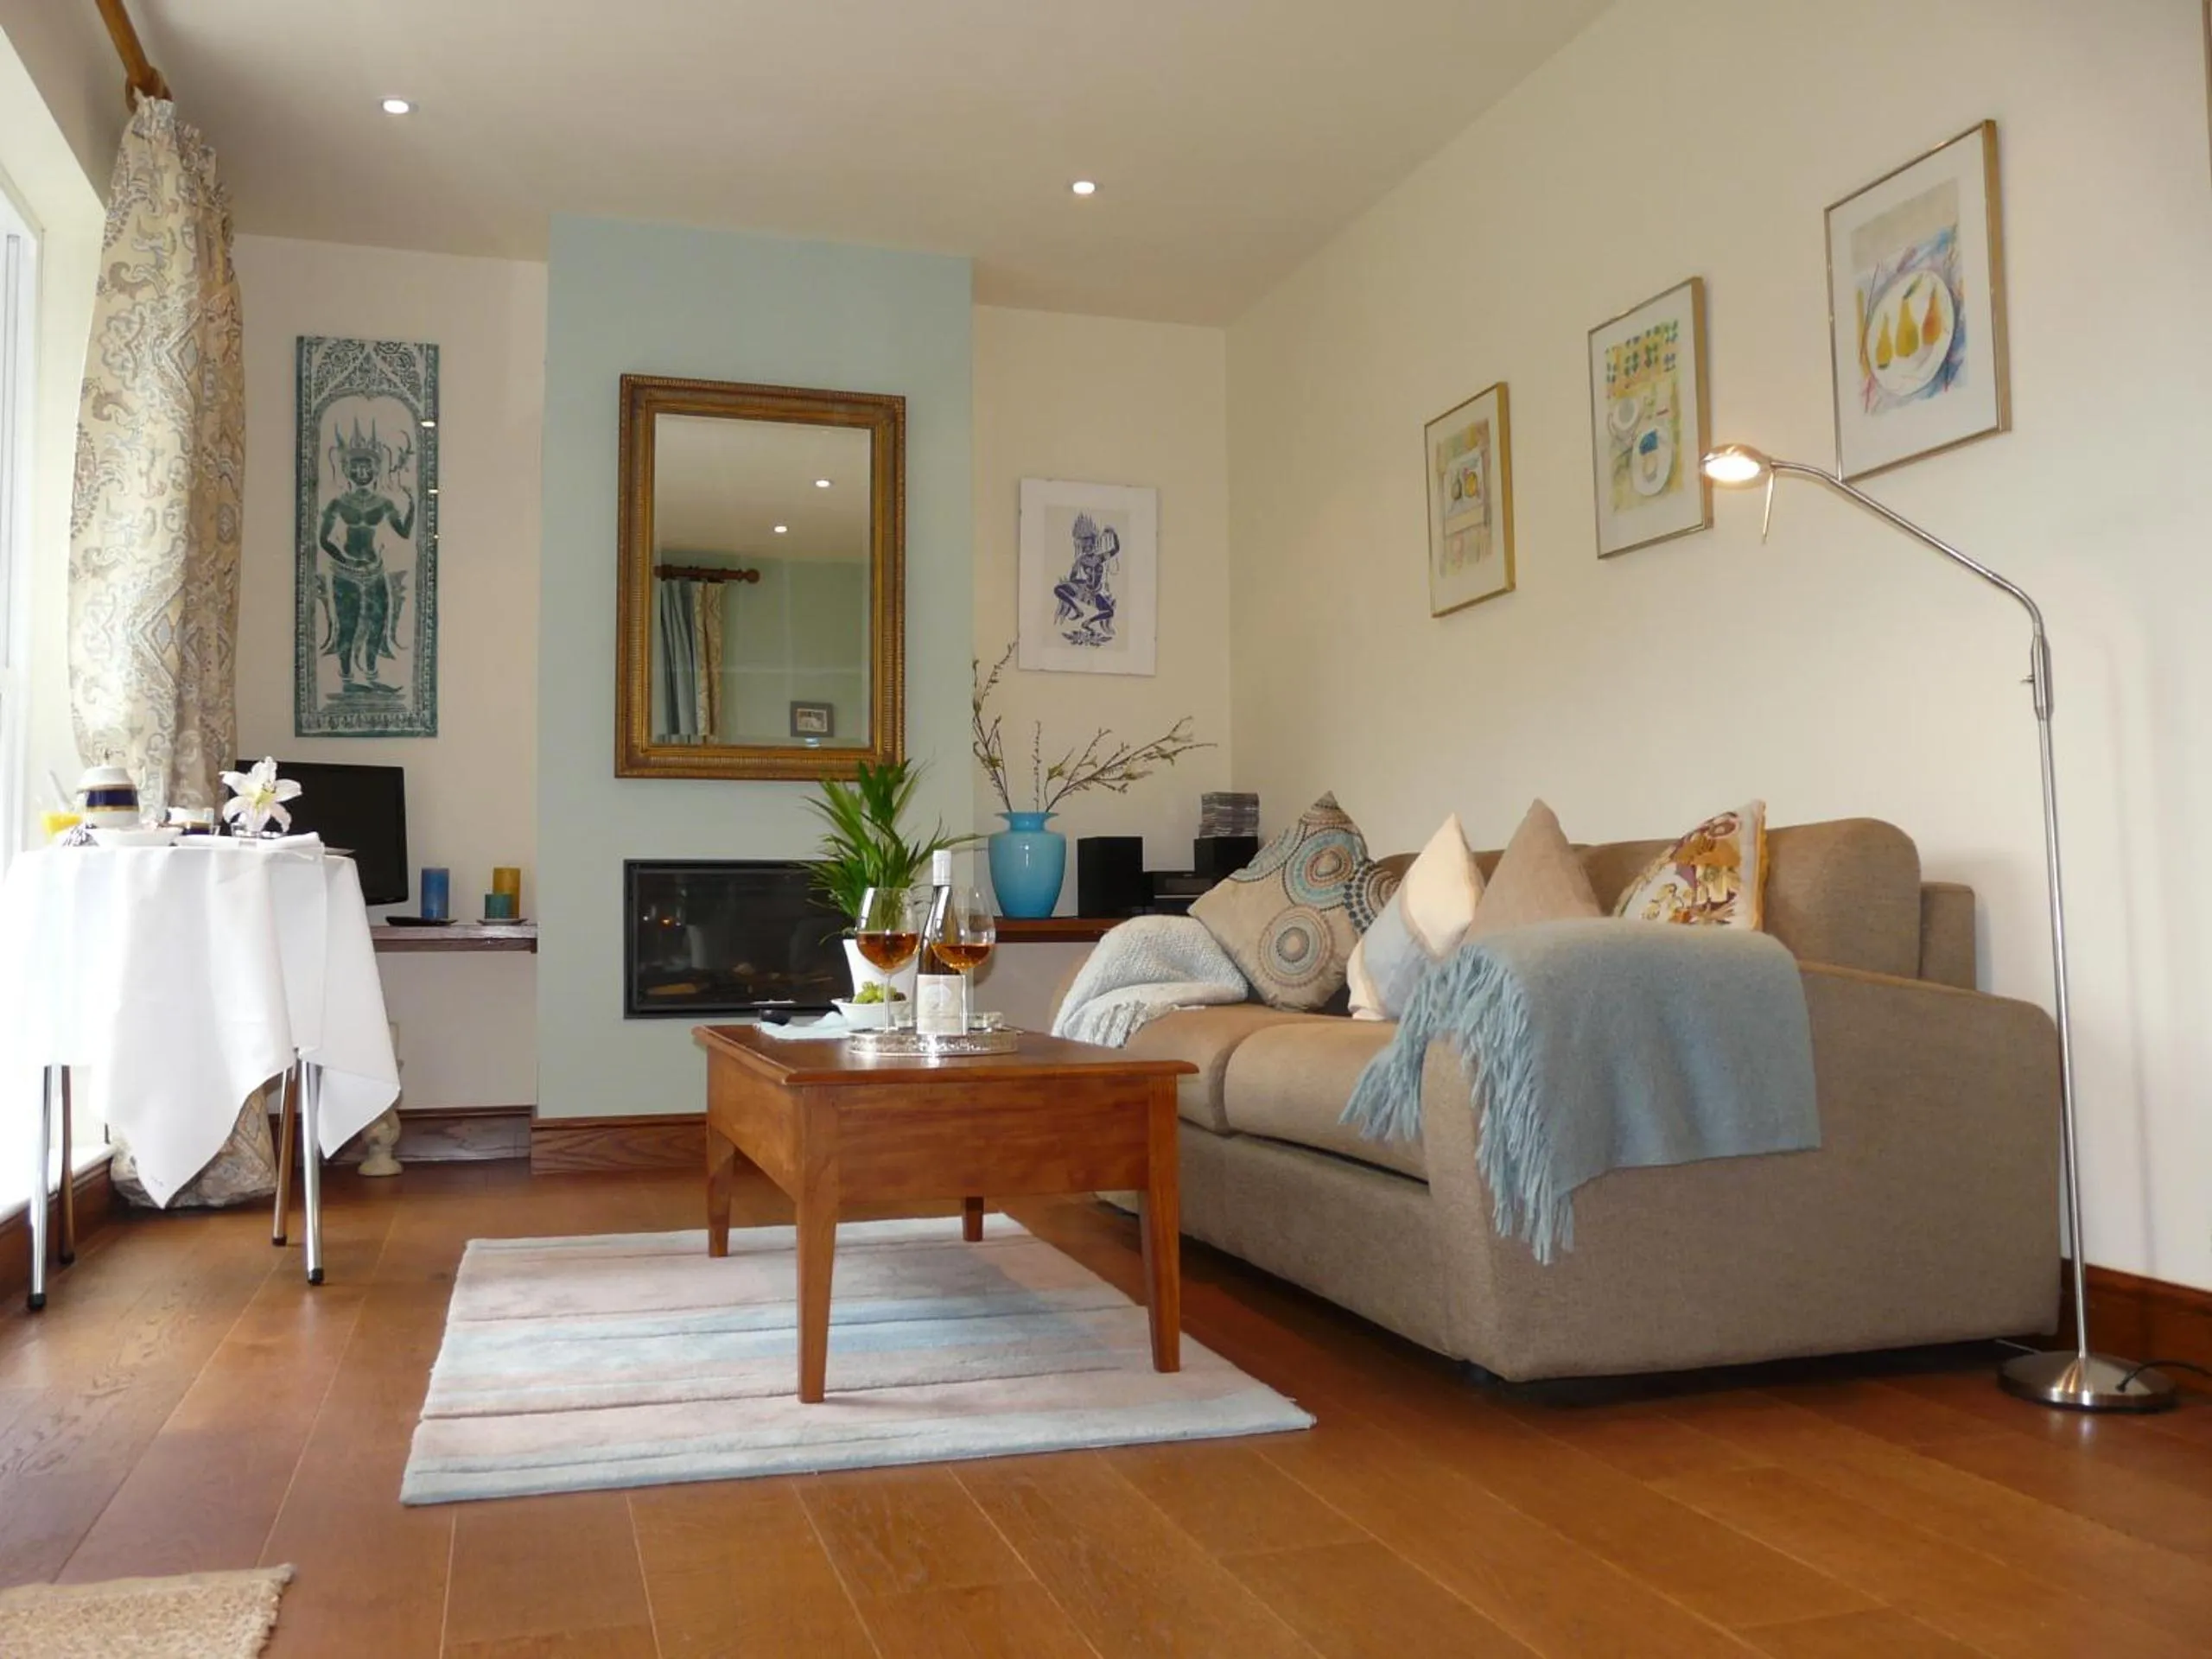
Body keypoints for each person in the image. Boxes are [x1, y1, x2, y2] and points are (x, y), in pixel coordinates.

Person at [317, 419, 415, 692]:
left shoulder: (383, 503)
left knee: (377, 624)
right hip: (345, 572)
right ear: (348, 470)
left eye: (367, 467)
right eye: (356, 467)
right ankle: (347, 678)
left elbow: (404, 533)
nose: (362, 471)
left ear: (375, 470)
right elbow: (324, 539)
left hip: (374, 570)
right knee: (347, 625)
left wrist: (413, 505)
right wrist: (345, 559)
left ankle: (372, 675)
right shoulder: (338, 503)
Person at [1052, 512, 1119, 646]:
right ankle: (1077, 610)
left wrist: (1113, 534)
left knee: (1109, 611)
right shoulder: (1081, 560)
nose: (1087, 549)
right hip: (1084, 589)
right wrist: (1072, 583)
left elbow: (1116, 549)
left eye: (1090, 546)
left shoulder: (1100, 557)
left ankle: (1087, 622)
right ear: (1082, 547)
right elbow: (1073, 577)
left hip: (1095, 593)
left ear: (1094, 546)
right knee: (1058, 589)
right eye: (1085, 547)